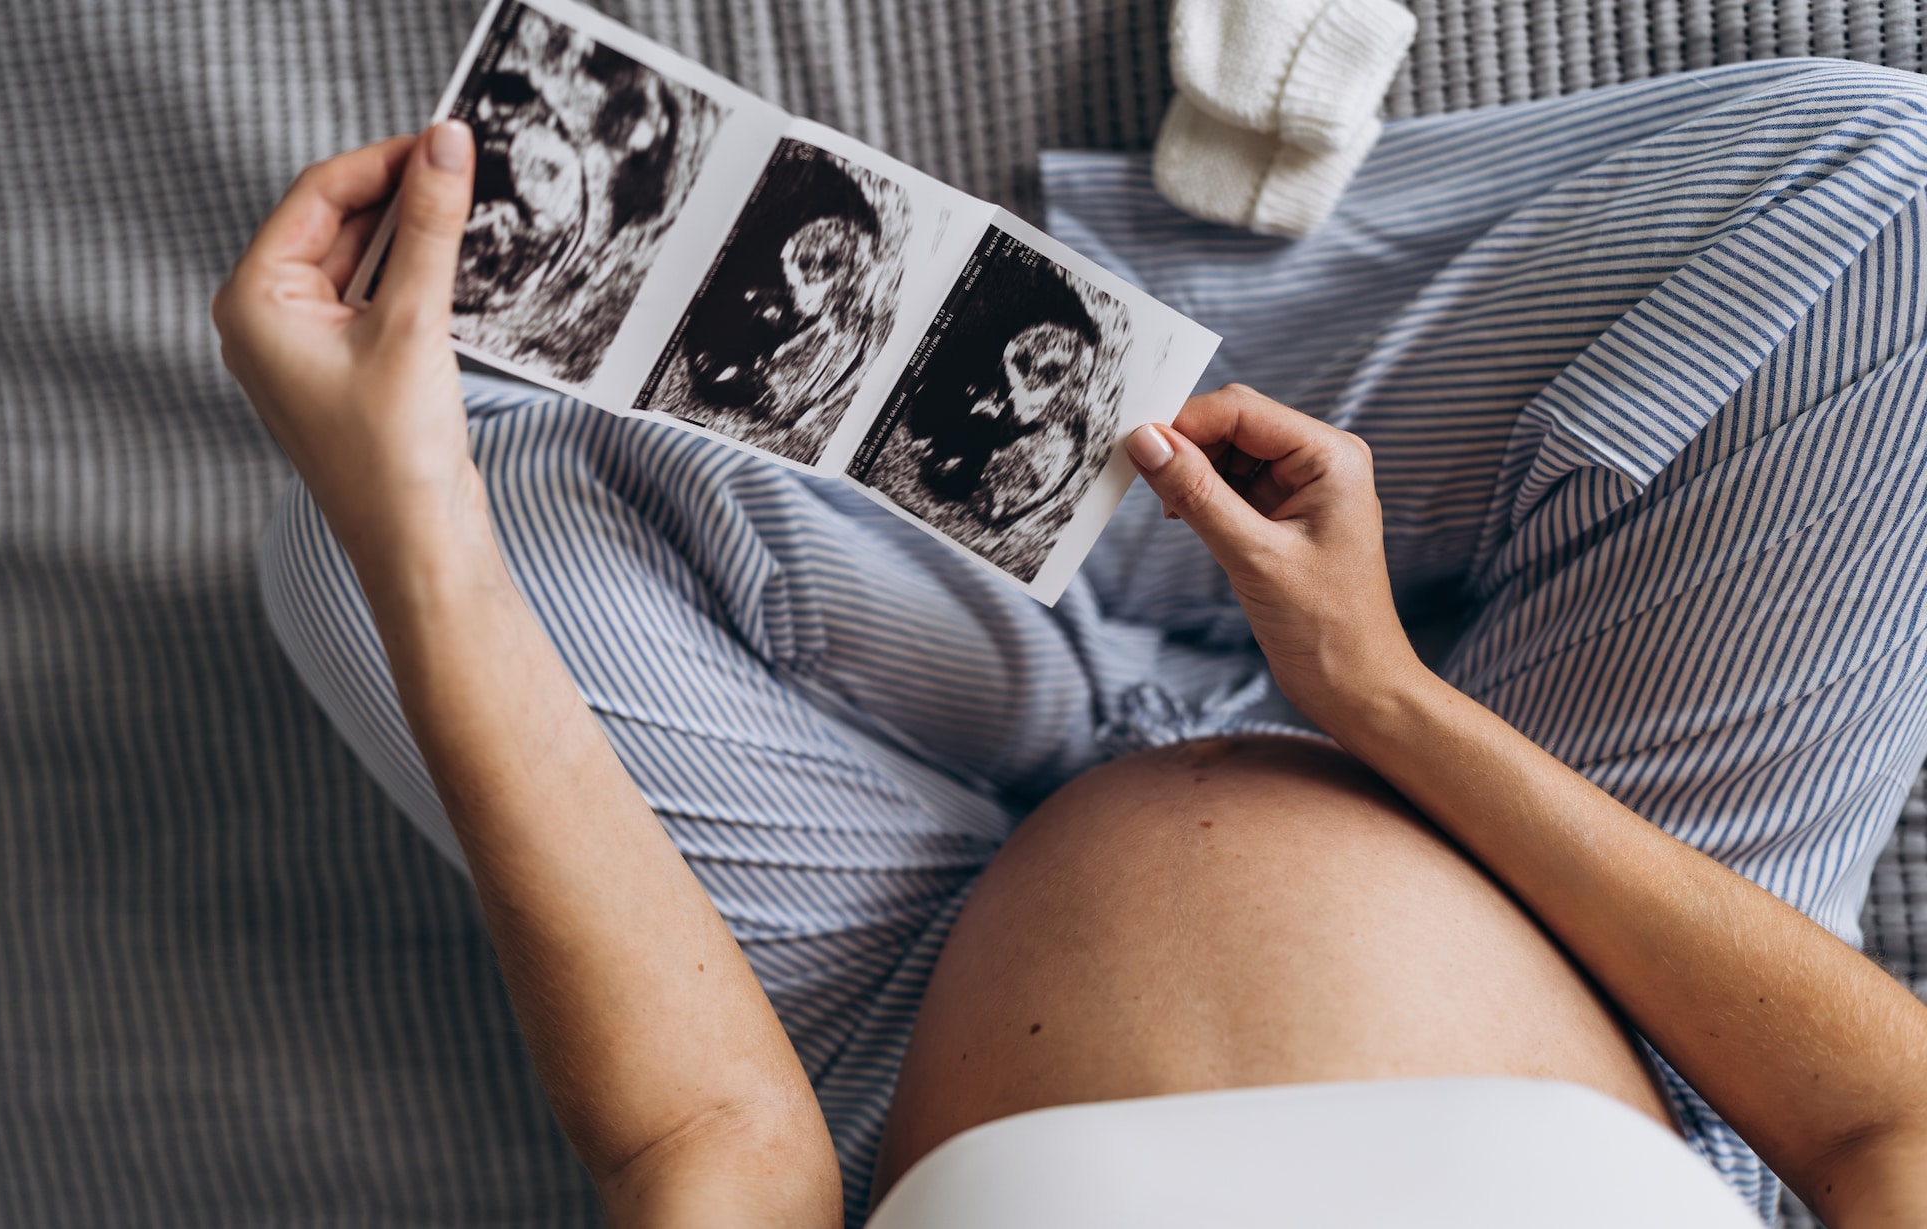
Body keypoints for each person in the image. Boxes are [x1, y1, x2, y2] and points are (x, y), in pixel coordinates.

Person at [213, 59, 1927, 1229]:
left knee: (381, 532)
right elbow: (1884, 1130)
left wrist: (414, 514)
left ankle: (1056, 492)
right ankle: (1136, 447)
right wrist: (1376, 692)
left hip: (894, 1024)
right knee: (1894, 206)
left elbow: (714, 1147)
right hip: (1627, 986)